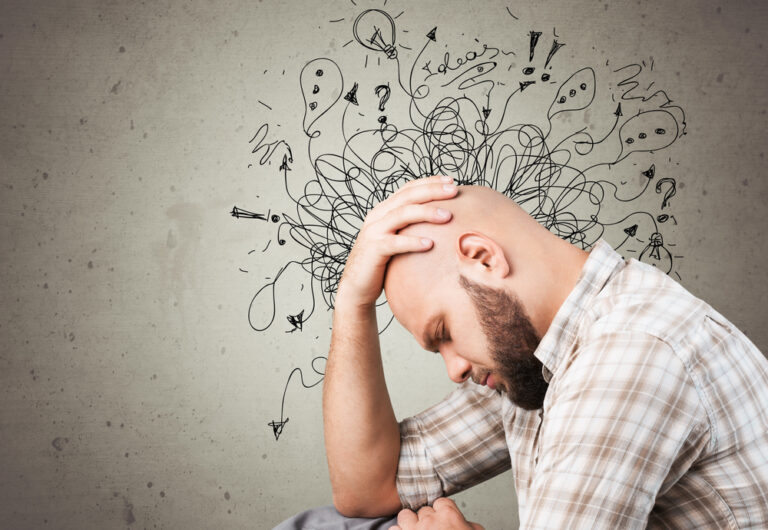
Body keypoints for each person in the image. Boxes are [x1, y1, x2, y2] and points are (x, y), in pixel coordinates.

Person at [276, 176, 768, 529]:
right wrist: (351, 303)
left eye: (444, 332)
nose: (454, 369)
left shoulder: (631, 355)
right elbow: (368, 490)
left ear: (484, 258)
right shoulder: (537, 356)